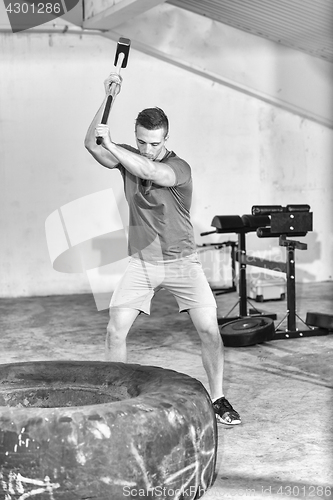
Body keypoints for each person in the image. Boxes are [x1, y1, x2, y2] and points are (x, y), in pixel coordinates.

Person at [84, 72, 241, 425]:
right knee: (115, 330)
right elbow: (92, 144)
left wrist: (113, 146)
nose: (146, 149)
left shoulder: (179, 168)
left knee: (210, 330)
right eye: (141, 142)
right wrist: (106, 100)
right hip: (142, 263)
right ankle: (115, 401)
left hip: (183, 262)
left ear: (166, 139)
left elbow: (154, 172)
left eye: (154, 143)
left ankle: (217, 398)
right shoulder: (127, 155)